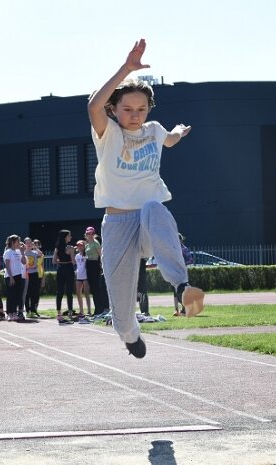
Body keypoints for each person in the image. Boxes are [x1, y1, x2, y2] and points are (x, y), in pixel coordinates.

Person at [87, 38, 204, 358]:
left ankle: (181, 288)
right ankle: (129, 334)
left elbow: (171, 140)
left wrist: (179, 129)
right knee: (121, 305)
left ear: (149, 109)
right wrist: (126, 68)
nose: (134, 115)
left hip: (148, 220)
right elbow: (93, 106)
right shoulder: (108, 132)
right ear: (115, 109)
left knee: (155, 207)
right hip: (117, 224)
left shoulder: (153, 130)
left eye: (141, 109)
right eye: (127, 109)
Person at [53, 229, 76, 324]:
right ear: (65, 237)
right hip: (69, 269)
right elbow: (74, 262)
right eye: (69, 235)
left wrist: (60, 261)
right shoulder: (70, 248)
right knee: (69, 291)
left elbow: (53, 261)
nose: (71, 237)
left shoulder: (57, 247)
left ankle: (59, 313)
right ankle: (70, 312)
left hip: (60, 269)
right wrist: (73, 252)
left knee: (60, 291)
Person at [3, 234, 26, 321]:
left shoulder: (18, 251)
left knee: (17, 295)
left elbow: (24, 262)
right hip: (10, 276)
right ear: (13, 242)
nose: (19, 243)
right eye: (17, 241)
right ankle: (10, 313)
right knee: (11, 295)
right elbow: (7, 265)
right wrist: (11, 277)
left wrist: (22, 252)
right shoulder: (8, 252)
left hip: (19, 275)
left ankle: (15, 312)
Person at [22, 237, 44, 319]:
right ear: (24, 244)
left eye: (30, 242)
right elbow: (24, 265)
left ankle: (33, 310)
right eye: (27, 242)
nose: (28, 244)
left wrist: (35, 247)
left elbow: (41, 255)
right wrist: (29, 267)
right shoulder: (23, 253)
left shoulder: (34, 253)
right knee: (27, 293)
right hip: (27, 275)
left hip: (34, 274)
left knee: (34, 293)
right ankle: (27, 311)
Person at [84, 226, 103, 316]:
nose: (90, 235)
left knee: (96, 288)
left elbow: (100, 255)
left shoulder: (96, 243)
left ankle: (99, 309)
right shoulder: (87, 244)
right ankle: (97, 308)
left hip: (94, 265)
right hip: (89, 265)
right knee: (92, 288)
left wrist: (101, 266)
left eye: (91, 233)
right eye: (88, 233)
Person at [173, 233, 193, 316]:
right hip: (174, 272)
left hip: (182, 273)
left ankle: (185, 308)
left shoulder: (184, 249)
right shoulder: (172, 249)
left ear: (181, 240)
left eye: (178, 239)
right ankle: (176, 310)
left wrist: (182, 263)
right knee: (175, 291)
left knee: (183, 291)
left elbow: (190, 260)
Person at [75, 240, 91, 320]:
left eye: (81, 245)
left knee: (86, 293)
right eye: (78, 246)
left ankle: (89, 310)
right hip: (79, 276)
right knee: (78, 293)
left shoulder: (86, 255)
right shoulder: (77, 256)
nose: (80, 247)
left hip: (85, 276)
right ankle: (81, 310)